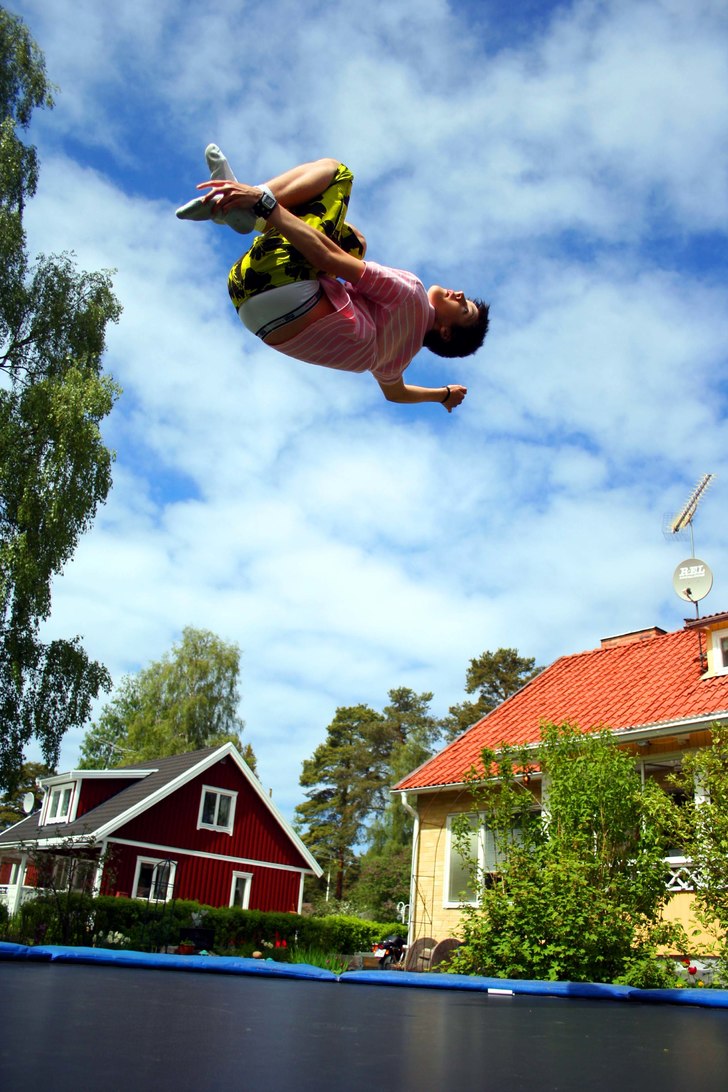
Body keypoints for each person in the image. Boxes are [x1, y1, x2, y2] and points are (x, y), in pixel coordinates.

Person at [177, 148, 489, 411]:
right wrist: (442, 395)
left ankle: (248, 205)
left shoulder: (412, 295)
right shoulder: (396, 360)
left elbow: (327, 259)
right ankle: (245, 212)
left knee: (336, 172)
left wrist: (263, 202)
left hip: (278, 282)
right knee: (356, 243)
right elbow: (396, 394)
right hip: (248, 303)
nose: (460, 294)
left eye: (464, 310)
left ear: (445, 332)